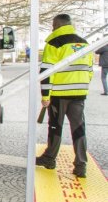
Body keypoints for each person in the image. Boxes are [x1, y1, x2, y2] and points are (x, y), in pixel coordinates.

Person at [36, 14, 93, 178]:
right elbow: (89, 70)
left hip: (59, 94)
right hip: (79, 93)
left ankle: (49, 158)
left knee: (55, 126)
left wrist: (46, 95)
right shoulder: (83, 43)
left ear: (56, 25)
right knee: (79, 128)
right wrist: (82, 86)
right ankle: (81, 165)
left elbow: (46, 72)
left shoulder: (54, 43)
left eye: (53, 25)